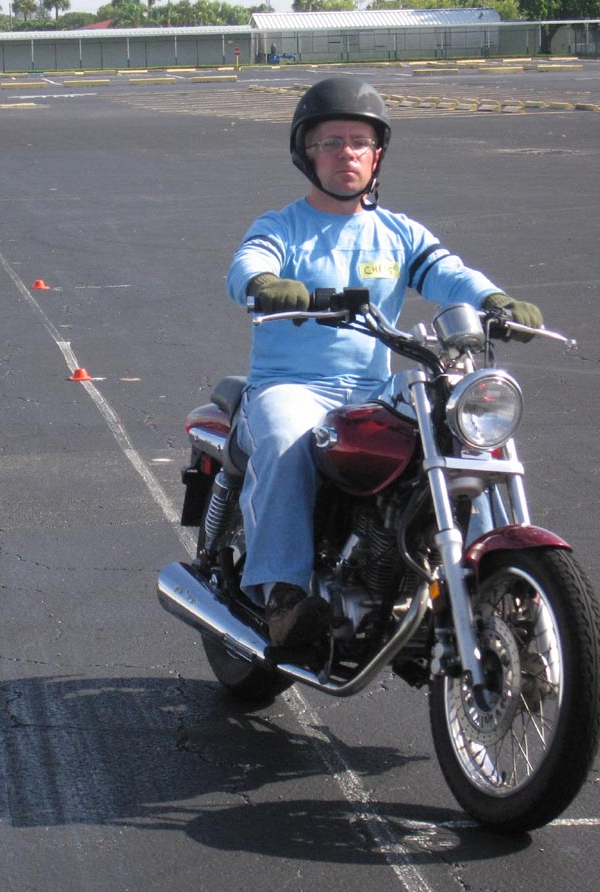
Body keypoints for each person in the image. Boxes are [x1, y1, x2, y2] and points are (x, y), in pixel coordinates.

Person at [225, 76, 543, 650]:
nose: (345, 153)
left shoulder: (398, 233)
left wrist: (493, 299)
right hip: (291, 386)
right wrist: (265, 284)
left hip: (372, 388)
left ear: (377, 155)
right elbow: (247, 265)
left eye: (359, 142)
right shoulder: (282, 226)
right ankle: (284, 596)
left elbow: (449, 274)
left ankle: (480, 577)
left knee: (457, 433)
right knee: (286, 441)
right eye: (330, 142)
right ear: (307, 153)